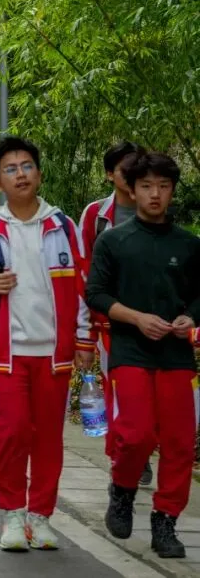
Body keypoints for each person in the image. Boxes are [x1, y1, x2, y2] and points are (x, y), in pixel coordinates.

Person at [0, 136, 94, 552]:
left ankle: (42, 517)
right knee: (11, 433)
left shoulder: (63, 227)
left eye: (27, 166)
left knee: (49, 437)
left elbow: (85, 286)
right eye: (11, 169)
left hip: (55, 355)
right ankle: (13, 515)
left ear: (39, 173)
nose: (21, 174)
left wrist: (85, 338)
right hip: (7, 355)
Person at [86, 151, 200, 559]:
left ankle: (165, 520)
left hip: (175, 353)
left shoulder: (189, 244)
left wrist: (189, 317)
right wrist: (135, 318)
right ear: (131, 191)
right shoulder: (114, 240)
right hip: (130, 349)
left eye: (163, 187)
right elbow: (96, 293)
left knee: (180, 442)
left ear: (172, 191)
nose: (155, 194)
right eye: (147, 187)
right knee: (135, 434)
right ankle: (122, 489)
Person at [78, 142, 149, 479]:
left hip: (154, 317)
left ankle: (138, 447)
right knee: (118, 385)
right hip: (109, 319)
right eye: (125, 168)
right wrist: (85, 328)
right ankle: (123, 452)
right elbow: (83, 269)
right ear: (109, 174)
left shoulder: (154, 207)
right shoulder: (95, 216)